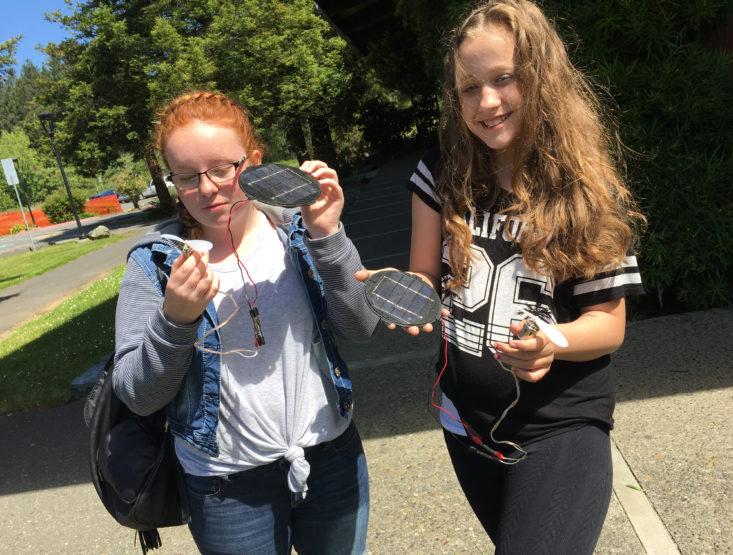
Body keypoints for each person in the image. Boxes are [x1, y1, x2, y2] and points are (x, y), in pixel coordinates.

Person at [362, 0, 646, 552]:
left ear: (540, 78)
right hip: (465, 425)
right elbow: (426, 276)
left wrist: (551, 341)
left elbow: (607, 325)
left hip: (560, 427)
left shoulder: (584, 193)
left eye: (504, 79)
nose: (487, 102)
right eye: (470, 87)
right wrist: (399, 292)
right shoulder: (439, 172)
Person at [112, 91, 379, 554]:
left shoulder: (300, 229)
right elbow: (137, 395)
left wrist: (328, 236)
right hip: (226, 487)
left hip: (331, 458)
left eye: (222, 168)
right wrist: (175, 320)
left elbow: (360, 327)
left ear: (253, 162)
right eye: (188, 177)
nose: (209, 188)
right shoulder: (155, 264)